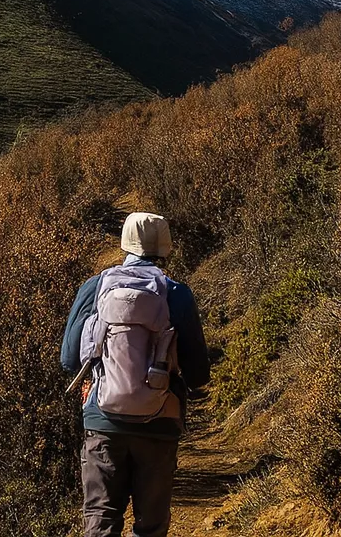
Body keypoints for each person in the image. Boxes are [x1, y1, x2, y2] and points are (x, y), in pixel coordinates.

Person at [60, 212, 211, 537]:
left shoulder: (94, 288)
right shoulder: (176, 293)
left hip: (102, 421)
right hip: (158, 425)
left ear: (126, 244)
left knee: (100, 520)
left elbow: (69, 359)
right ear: (164, 248)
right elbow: (198, 373)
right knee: (151, 527)